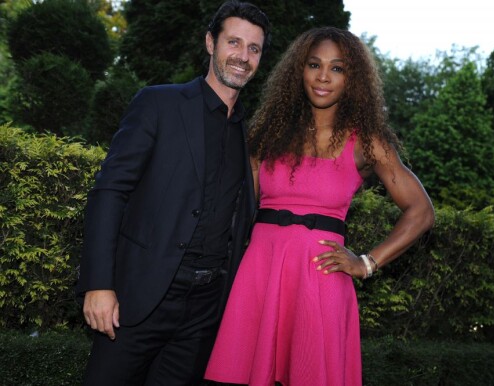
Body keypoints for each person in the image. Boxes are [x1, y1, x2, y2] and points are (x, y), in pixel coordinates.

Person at [204, 27, 435, 386]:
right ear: (300, 70)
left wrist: (366, 263)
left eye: (337, 68)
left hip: (320, 279)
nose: (324, 76)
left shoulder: (366, 141)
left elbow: (421, 210)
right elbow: (233, 205)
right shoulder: (267, 133)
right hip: (259, 272)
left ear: (352, 79)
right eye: (314, 64)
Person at [76, 1, 271, 385]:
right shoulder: (159, 103)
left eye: (254, 48)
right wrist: (99, 284)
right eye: (234, 42)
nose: (243, 56)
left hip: (204, 312)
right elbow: (110, 191)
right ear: (210, 43)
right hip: (138, 299)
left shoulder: (251, 136)